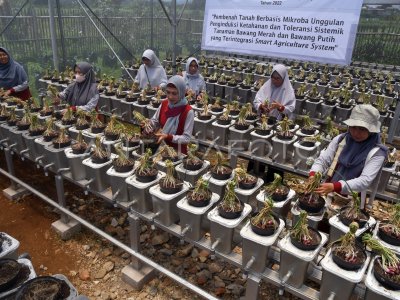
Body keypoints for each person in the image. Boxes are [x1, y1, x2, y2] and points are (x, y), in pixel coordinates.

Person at [309, 104, 387, 196]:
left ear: (371, 131)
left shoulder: (377, 153)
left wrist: (336, 186)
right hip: (328, 188)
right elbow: (323, 160)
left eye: (362, 129)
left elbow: (364, 181)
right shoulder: (341, 140)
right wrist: (314, 174)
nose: (356, 133)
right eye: (353, 127)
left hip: (352, 196)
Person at [149, 75, 194, 154]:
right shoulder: (164, 104)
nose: (170, 96)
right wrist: (149, 125)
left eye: (174, 93)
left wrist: (168, 136)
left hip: (177, 153)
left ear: (181, 93)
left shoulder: (188, 111)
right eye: (168, 92)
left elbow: (186, 138)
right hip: (161, 149)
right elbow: (155, 121)